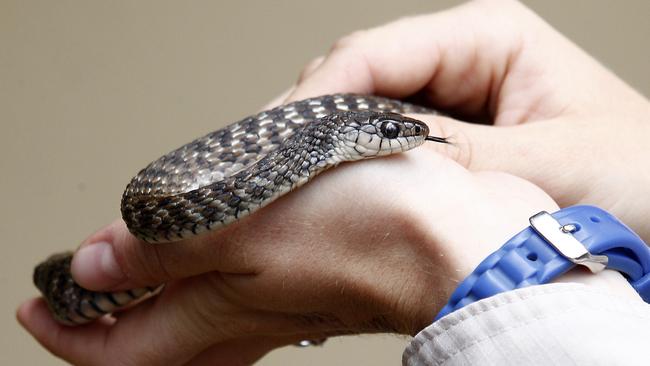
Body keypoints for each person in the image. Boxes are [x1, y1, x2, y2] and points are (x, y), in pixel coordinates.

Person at [17, 0, 650, 364]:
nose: (410, 141)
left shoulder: (342, 142)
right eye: (394, 135)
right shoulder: (311, 146)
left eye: (410, 134)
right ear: (352, 139)